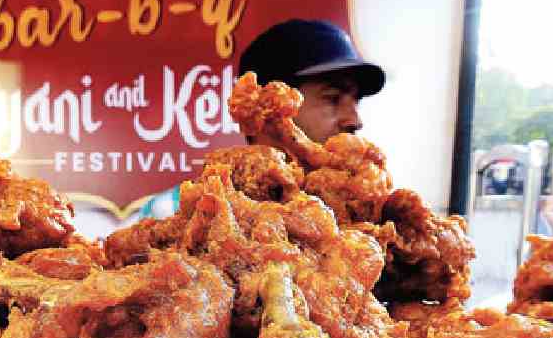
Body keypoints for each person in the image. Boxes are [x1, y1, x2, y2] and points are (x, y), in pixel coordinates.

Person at [137, 18, 386, 219]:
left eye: (356, 101)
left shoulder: (368, 216)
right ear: (266, 108)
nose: (354, 120)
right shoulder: (172, 212)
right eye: (332, 97)